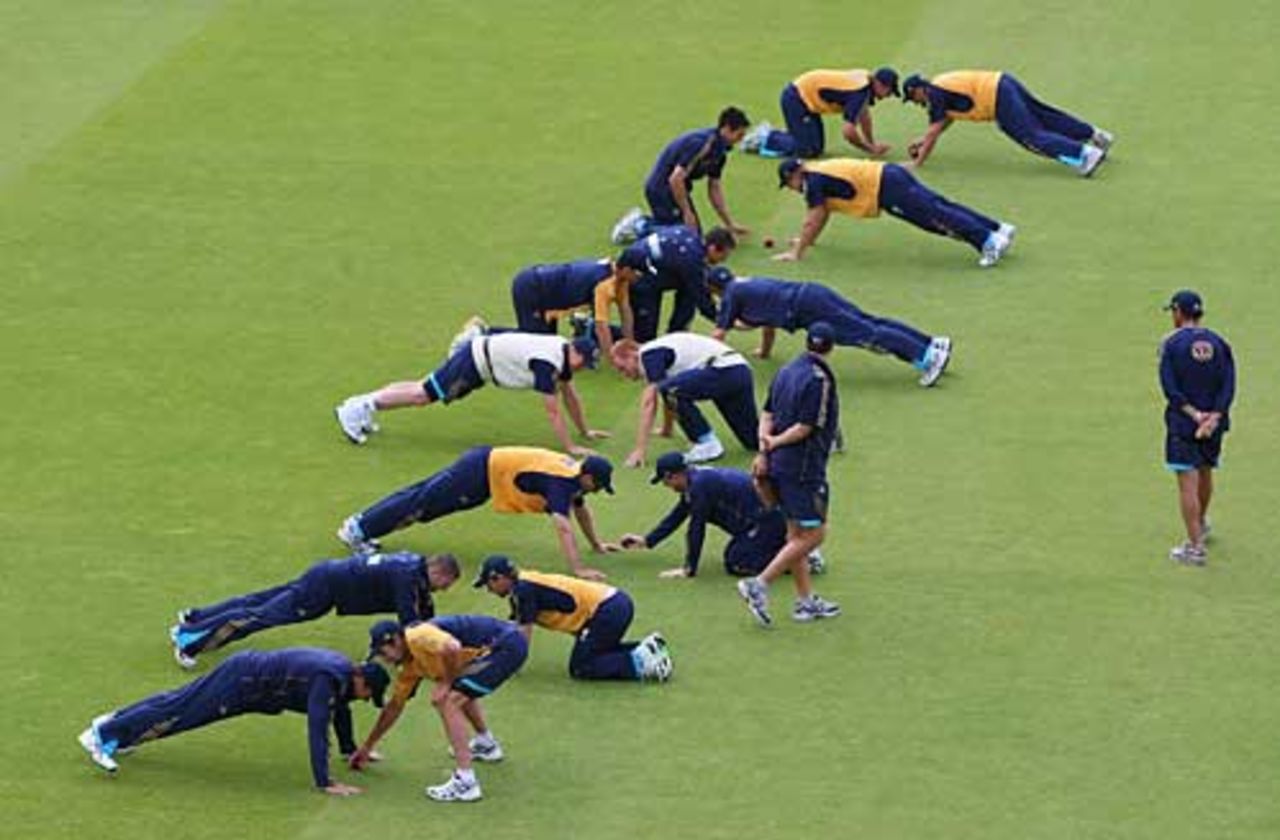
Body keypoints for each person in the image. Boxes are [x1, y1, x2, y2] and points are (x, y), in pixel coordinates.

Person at [78, 648, 389, 795]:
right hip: (240, 684)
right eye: (366, 693)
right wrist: (325, 782)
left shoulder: (341, 675)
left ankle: (115, 725)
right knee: (180, 713)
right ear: (360, 678)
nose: (362, 699)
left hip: (244, 677)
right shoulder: (328, 678)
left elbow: (340, 710)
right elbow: (318, 727)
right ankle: (102, 734)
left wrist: (350, 750)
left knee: (178, 702)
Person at [336, 446, 618, 580]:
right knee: (420, 503)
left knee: (423, 507)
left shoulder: (574, 479)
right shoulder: (562, 482)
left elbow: (581, 511)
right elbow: (564, 526)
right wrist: (578, 568)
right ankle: (358, 528)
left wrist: (597, 544)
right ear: (588, 476)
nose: (596, 490)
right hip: (478, 471)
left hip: (486, 478)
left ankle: (365, 529)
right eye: (597, 485)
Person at [167, 551, 461, 669]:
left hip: (327, 575)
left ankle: (197, 616)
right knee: (261, 616)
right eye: (447, 583)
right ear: (439, 573)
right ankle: (188, 639)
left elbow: (424, 610)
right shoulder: (408, 578)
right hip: (325, 589)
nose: (445, 589)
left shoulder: (413, 567)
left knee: (260, 601)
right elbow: (411, 621)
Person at [335, 331, 610, 455]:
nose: (583, 368)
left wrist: (585, 431)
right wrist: (570, 447)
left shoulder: (561, 353)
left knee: (424, 386)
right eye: (584, 362)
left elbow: (571, 396)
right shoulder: (546, 362)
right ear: (574, 350)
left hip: (481, 360)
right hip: (476, 363)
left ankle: (363, 404)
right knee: (423, 395)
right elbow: (553, 411)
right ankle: (359, 407)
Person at [350, 616, 528, 802]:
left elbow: (452, 647)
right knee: (461, 693)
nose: (383, 659)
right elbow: (394, 707)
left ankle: (466, 783)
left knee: (448, 701)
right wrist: (367, 746)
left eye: (382, 651)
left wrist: (446, 682)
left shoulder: (417, 636)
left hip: (505, 646)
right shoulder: (409, 668)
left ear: (396, 640)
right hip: (501, 646)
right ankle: (486, 745)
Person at [738, 323, 842, 627]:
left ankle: (805, 602)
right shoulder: (819, 379)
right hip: (804, 469)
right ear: (831, 348)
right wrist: (777, 442)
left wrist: (764, 447)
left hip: (780, 466)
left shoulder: (786, 371)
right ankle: (759, 584)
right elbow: (807, 427)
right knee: (815, 534)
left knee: (795, 535)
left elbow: (767, 413)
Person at [707, 268, 952, 386]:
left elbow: (719, 335)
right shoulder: (744, 285)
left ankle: (929, 358)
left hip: (808, 308)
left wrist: (708, 363)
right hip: (813, 294)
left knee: (866, 334)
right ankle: (930, 343)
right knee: (869, 322)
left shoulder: (731, 296)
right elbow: (767, 323)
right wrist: (764, 351)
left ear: (715, 289)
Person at [775, 157, 1015, 267]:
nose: (793, 189)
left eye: (789, 185)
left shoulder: (812, 182)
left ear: (794, 177)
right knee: (940, 206)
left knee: (936, 217)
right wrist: (807, 242)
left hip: (886, 187)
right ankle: (996, 229)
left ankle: (988, 241)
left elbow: (813, 218)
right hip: (888, 177)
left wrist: (797, 252)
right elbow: (822, 214)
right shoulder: (815, 171)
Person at [620, 452, 824, 579]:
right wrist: (647, 541)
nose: (667, 487)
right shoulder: (696, 481)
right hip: (761, 521)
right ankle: (791, 549)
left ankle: (799, 558)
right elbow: (678, 514)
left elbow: (696, 527)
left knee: (736, 562)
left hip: (768, 521)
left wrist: (689, 569)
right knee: (737, 553)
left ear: (673, 475)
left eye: (666, 482)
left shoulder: (699, 486)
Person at [474, 555, 672, 681]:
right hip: (614, 604)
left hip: (607, 611)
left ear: (498, 578)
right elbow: (513, 627)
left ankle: (640, 664)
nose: (489, 590)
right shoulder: (523, 586)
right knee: (596, 653)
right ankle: (648, 647)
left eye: (488, 585)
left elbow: (523, 635)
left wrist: (509, 665)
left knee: (581, 667)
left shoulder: (523, 590)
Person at [901, 71, 1112, 176]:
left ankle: (1084, 155)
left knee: (1031, 136)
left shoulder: (934, 94)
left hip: (997, 97)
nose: (916, 103)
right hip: (1003, 82)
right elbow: (947, 119)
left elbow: (935, 127)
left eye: (913, 99)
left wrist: (918, 162)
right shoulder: (939, 86)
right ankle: (1095, 136)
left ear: (918, 90)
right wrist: (922, 141)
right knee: (1044, 115)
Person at [1157, 290, 1235, 565]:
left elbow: (1170, 388)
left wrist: (1195, 416)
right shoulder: (1219, 343)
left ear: (1179, 312)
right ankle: (1200, 523)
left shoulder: (1170, 344)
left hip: (1183, 424)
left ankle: (1194, 547)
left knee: (1186, 483)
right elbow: (1228, 385)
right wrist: (1213, 417)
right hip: (1214, 425)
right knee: (1206, 471)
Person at [610, 332, 756, 465]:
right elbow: (667, 395)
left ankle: (706, 443)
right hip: (739, 372)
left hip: (723, 370)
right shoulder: (657, 354)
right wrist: (667, 430)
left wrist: (640, 450)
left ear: (631, 354)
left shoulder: (648, 354)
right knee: (754, 441)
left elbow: (651, 401)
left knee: (670, 390)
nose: (625, 375)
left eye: (622, 368)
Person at [611, 107, 752, 243]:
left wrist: (729, 224)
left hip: (677, 190)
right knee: (682, 238)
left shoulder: (720, 153)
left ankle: (653, 224)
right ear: (726, 128)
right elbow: (675, 179)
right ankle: (638, 225)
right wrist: (686, 211)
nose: (740, 140)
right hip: (661, 189)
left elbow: (714, 188)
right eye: (739, 135)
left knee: (694, 237)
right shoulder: (701, 144)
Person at [741, 67, 900, 159]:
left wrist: (871, 143)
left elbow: (864, 115)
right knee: (806, 150)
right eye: (888, 91)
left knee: (816, 149)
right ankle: (764, 138)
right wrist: (869, 149)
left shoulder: (866, 83)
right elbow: (848, 132)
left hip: (808, 101)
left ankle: (785, 135)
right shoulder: (860, 92)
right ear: (879, 84)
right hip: (797, 99)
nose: (888, 96)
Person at [507, 257, 641, 359]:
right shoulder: (604, 285)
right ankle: (491, 336)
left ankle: (581, 325)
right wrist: (614, 359)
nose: (640, 277)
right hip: (532, 287)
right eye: (638, 273)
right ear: (626, 270)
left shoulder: (619, 278)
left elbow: (625, 311)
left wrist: (629, 345)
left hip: (550, 294)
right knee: (533, 348)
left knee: (551, 351)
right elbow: (601, 326)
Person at [621, 225, 737, 341]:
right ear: (713, 248)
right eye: (724, 255)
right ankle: (610, 336)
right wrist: (724, 321)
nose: (723, 260)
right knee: (645, 338)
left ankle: (677, 333)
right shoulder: (691, 260)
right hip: (638, 278)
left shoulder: (688, 233)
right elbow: (702, 300)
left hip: (650, 268)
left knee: (688, 291)